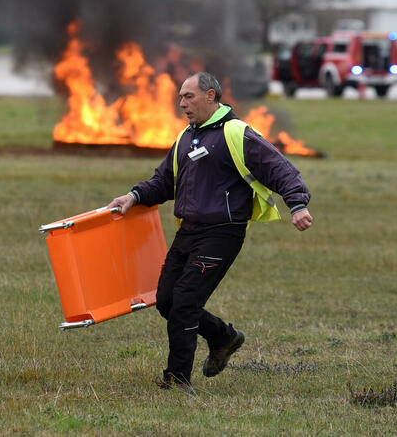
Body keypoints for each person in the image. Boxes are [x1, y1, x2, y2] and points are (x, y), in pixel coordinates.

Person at [107, 71, 314, 393]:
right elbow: (164, 182)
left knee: (185, 303)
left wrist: (298, 205)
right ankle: (223, 337)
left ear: (210, 96)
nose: (182, 104)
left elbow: (281, 169)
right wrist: (133, 196)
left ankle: (176, 380)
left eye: (188, 96)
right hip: (188, 230)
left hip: (222, 232)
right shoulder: (184, 138)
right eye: (179, 97)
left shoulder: (237, 133)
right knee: (166, 300)